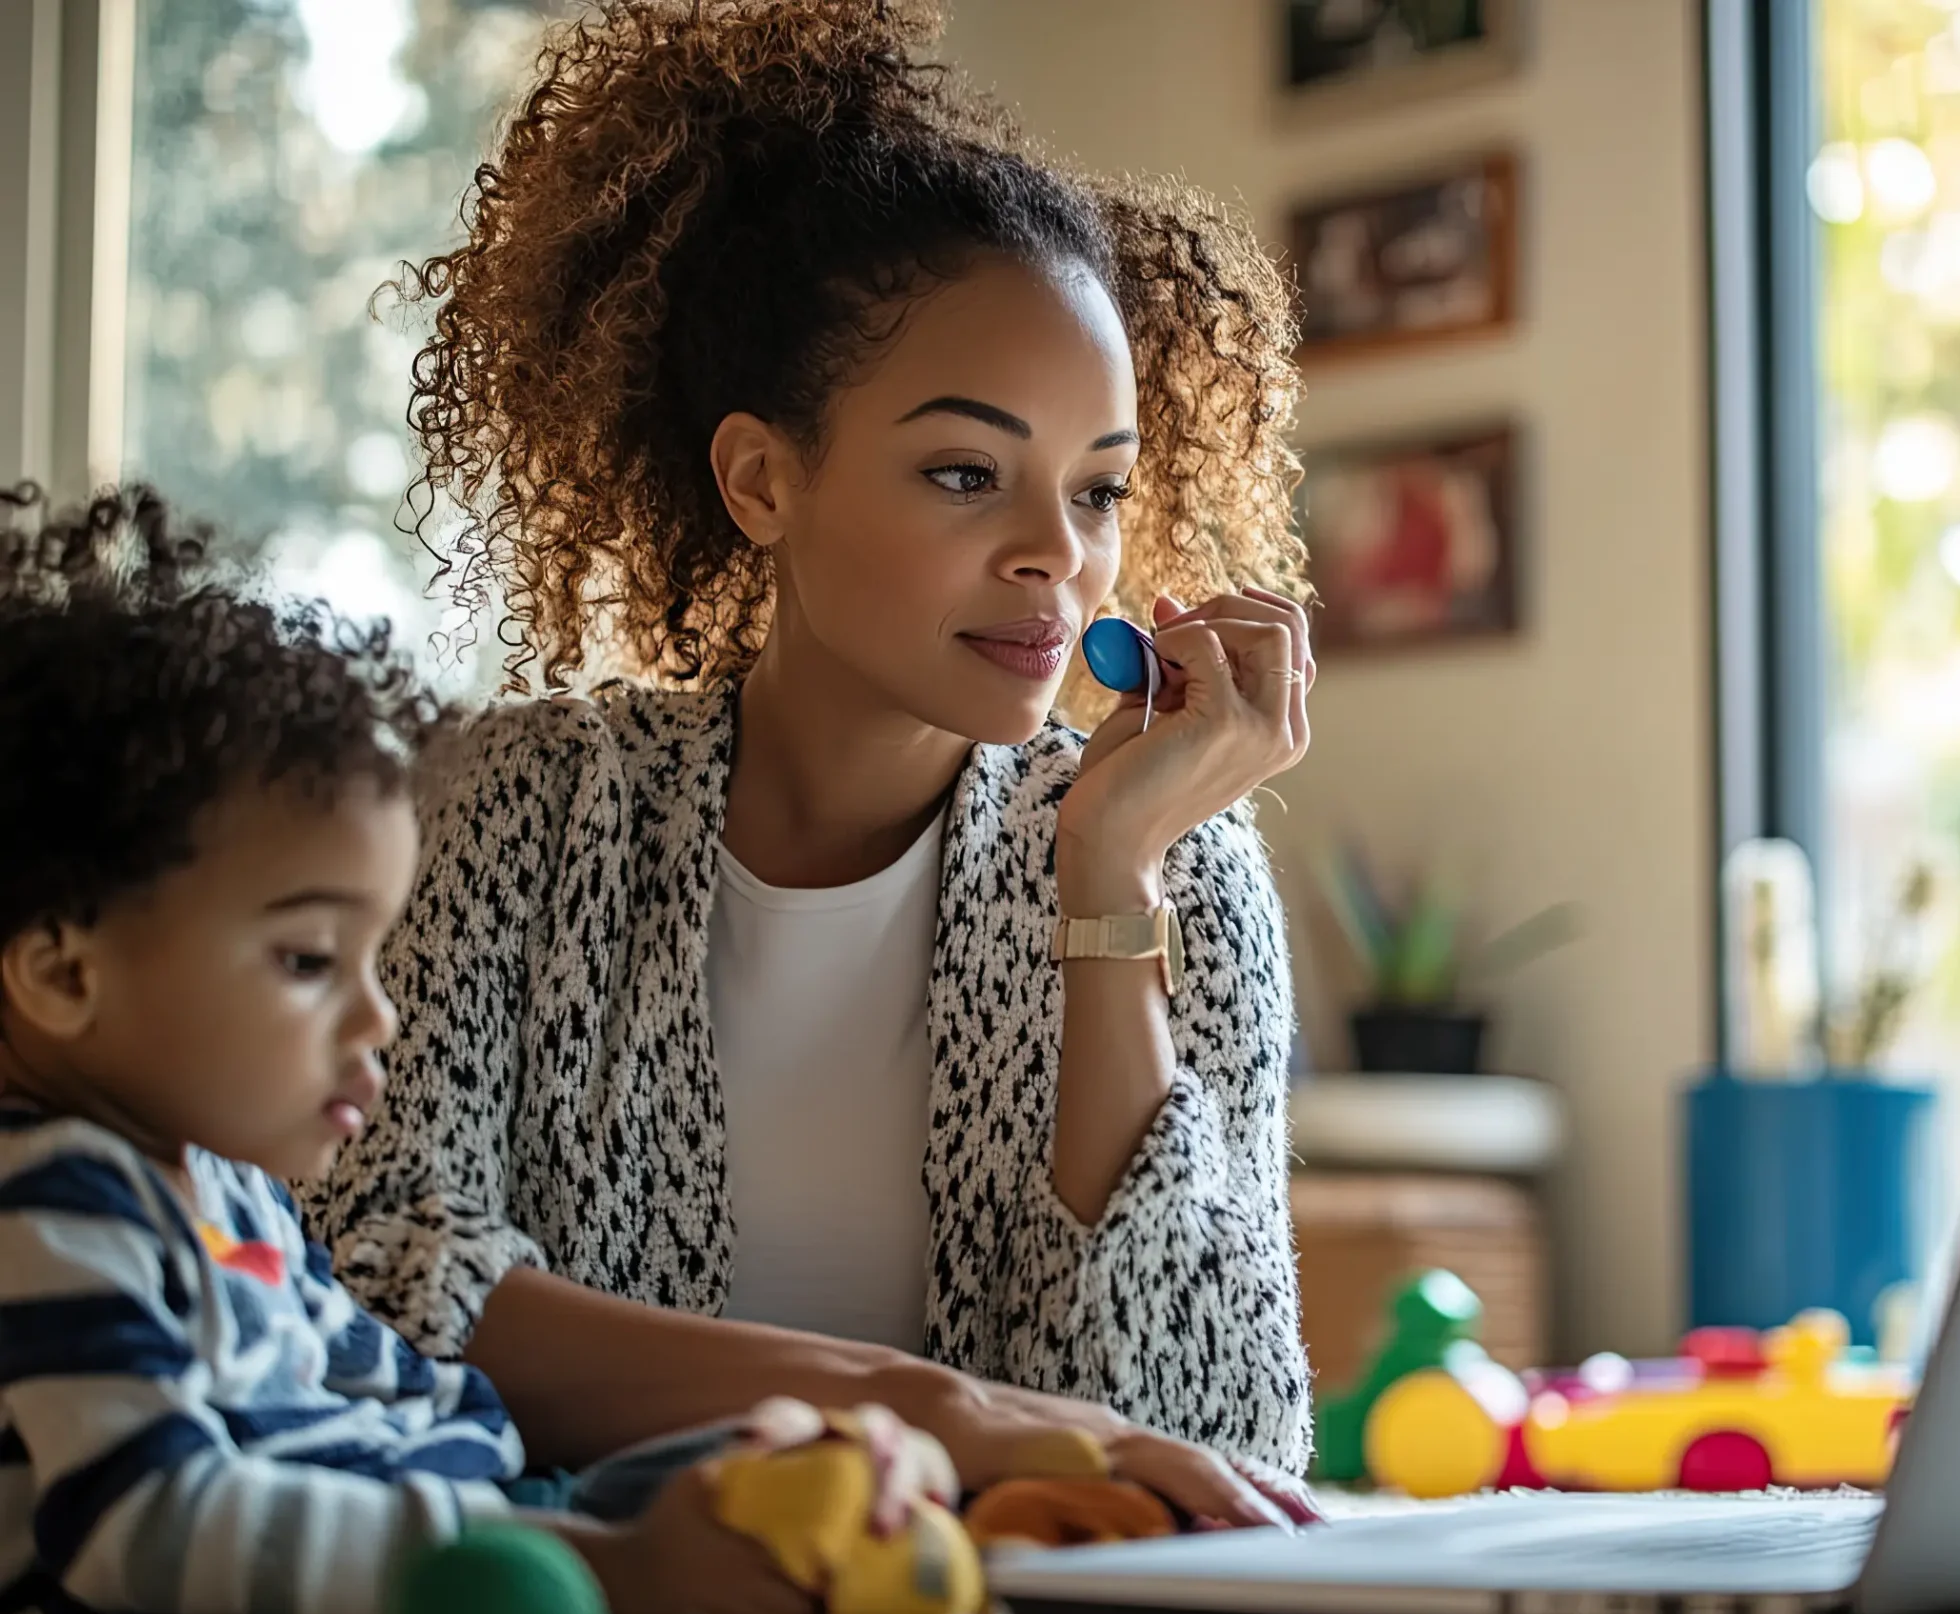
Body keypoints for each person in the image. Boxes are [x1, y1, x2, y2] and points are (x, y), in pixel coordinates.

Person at [305, 0, 1322, 1528]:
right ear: (763, 479)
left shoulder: (1174, 854)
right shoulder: (518, 810)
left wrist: (1108, 884)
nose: (1062, 554)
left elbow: (1211, 1448)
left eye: (1099, 490)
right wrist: (926, 1410)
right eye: (967, 472)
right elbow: (370, 1290)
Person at [0, 484, 959, 1614]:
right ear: (60, 972)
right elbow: (146, 1525)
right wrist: (607, 1569)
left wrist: (703, 1476)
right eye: (308, 960)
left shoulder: (232, 1200)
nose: (379, 1015)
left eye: (376, 954)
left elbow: (431, 1413)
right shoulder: (52, 1210)